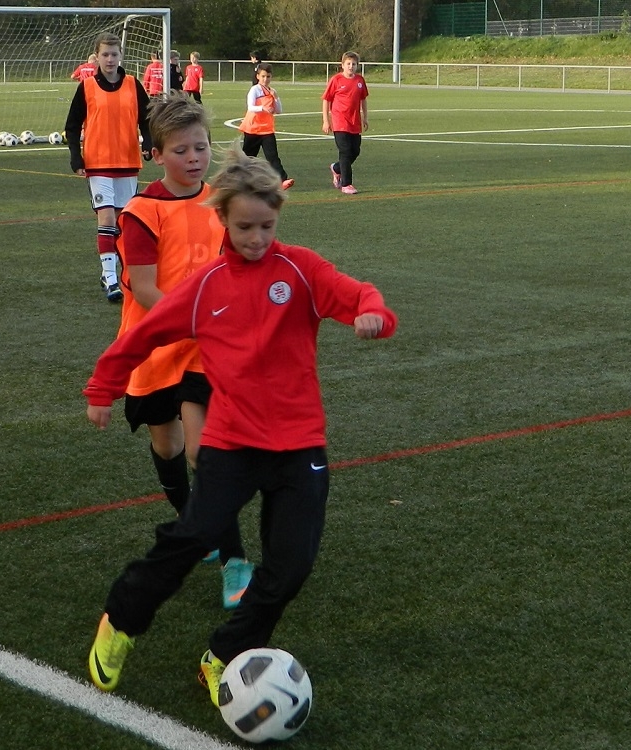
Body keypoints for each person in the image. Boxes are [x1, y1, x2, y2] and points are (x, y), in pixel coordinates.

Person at [84, 147, 397, 705]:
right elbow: (144, 335)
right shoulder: (206, 286)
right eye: (245, 227)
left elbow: (358, 294)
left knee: (290, 568)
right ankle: (122, 620)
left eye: (266, 227)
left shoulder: (301, 269)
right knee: (192, 538)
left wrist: (374, 314)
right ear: (223, 219)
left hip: (299, 445)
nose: (256, 238)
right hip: (231, 443)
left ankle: (225, 654)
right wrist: (102, 387)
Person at [115, 91, 252, 609]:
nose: (194, 158)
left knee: (202, 450)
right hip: (155, 343)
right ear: (156, 155)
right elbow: (145, 287)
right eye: (181, 150)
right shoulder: (142, 211)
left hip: (202, 348)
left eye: (201, 147)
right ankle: (196, 523)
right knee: (168, 447)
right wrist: (196, 319)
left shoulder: (218, 201)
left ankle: (236, 561)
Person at [64, 32, 152, 303]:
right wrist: (76, 157)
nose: (110, 59)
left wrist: (149, 143)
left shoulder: (133, 84)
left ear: (121, 56)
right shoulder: (87, 86)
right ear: (97, 57)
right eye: (105, 54)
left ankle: (123, 274)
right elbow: (72, 125)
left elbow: (147, 119)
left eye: (114, 54)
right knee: (106, 220)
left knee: (123, 222)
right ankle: (110, 277)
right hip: (98, 162)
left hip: (128, 162)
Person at [240, 63, 294, 190]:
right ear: (258, 76)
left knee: (272, 156)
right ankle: (239, 180)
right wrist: (263, 108)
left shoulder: (272, 91)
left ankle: (283, 180)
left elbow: (279, 110)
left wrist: (276, 98)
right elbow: (251, 107)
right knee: (247, 157)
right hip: (253, 129)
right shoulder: (254, 90)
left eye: (268, 76)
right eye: (263, 76)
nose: (266, 79)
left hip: (267, 130)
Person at [323, 51, 369, 196]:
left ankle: (337, 168)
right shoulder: (336, 80)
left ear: (357, 66)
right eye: (348, 63)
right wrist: (326, 120)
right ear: (342, 65)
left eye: (353, 64)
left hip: (354, 121)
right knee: (345, 151)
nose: (351, 66)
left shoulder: (360, 80)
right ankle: (346, 184)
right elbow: (326, 100)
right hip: (339, 121)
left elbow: (363, 99)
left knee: (355, 151)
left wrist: (365, 117)